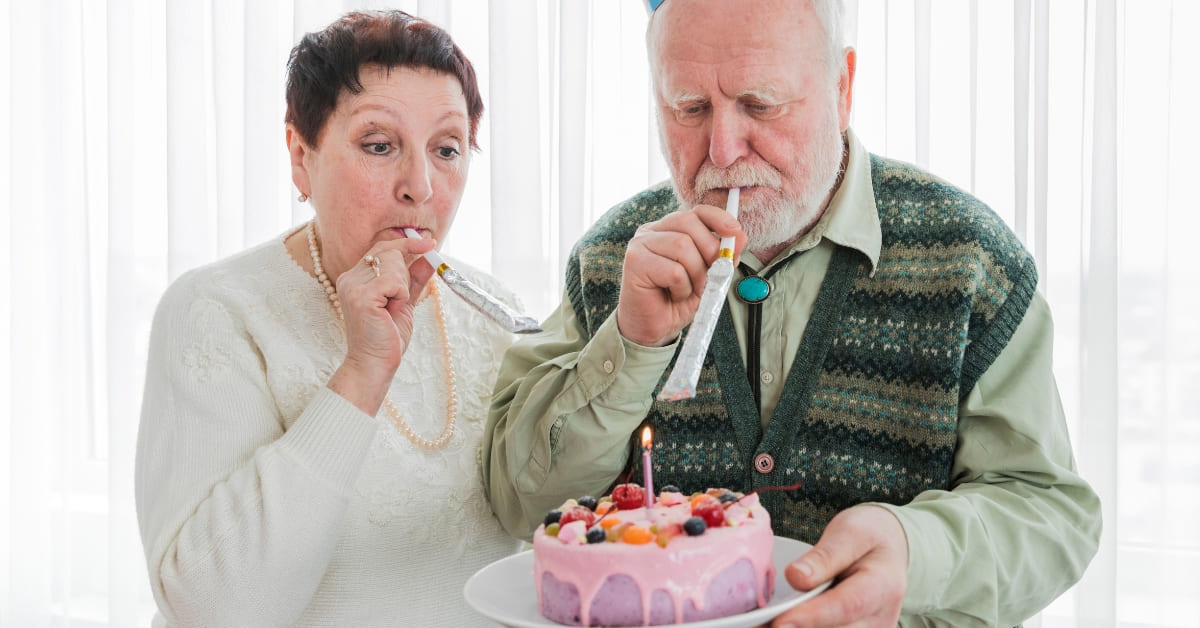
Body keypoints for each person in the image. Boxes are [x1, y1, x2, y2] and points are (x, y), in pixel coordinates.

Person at [482, 0, 1101, 625]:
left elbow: (1050, 512)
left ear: (843, 87)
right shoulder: (610, 258)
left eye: (760, 103)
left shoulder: (969, 259)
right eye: (689, 108)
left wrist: (917, 552)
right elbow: (518, 501)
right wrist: (631, 344)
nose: (722, 149)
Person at [135, 11, 522, 626]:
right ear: (300, 154)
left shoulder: (496, 312)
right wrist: (363, 372)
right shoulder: (215, 313)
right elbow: (213, 608)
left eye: (447, 149)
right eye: (379, 145)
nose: (420, 186)